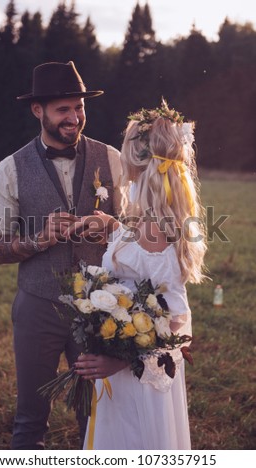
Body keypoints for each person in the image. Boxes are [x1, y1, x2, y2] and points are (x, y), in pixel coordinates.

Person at [0, 61, 122, 450]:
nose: (74, 117)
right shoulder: (10, 169)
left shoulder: (111, 158)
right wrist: (38, 240)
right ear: (37, 110)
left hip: (101, 306)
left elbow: (136, 227)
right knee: (30, 417)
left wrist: (112, 225)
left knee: (96, 415)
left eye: (79, 107)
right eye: (63, 109)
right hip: (38, 306)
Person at [70, 101, 207, 450]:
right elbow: (143, 267)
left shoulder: (153, 230)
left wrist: (116, 361)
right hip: (132, 363)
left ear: (136, 160)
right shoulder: (148, 219)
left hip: (134, 374)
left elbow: (175, 319)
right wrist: (115, 227)